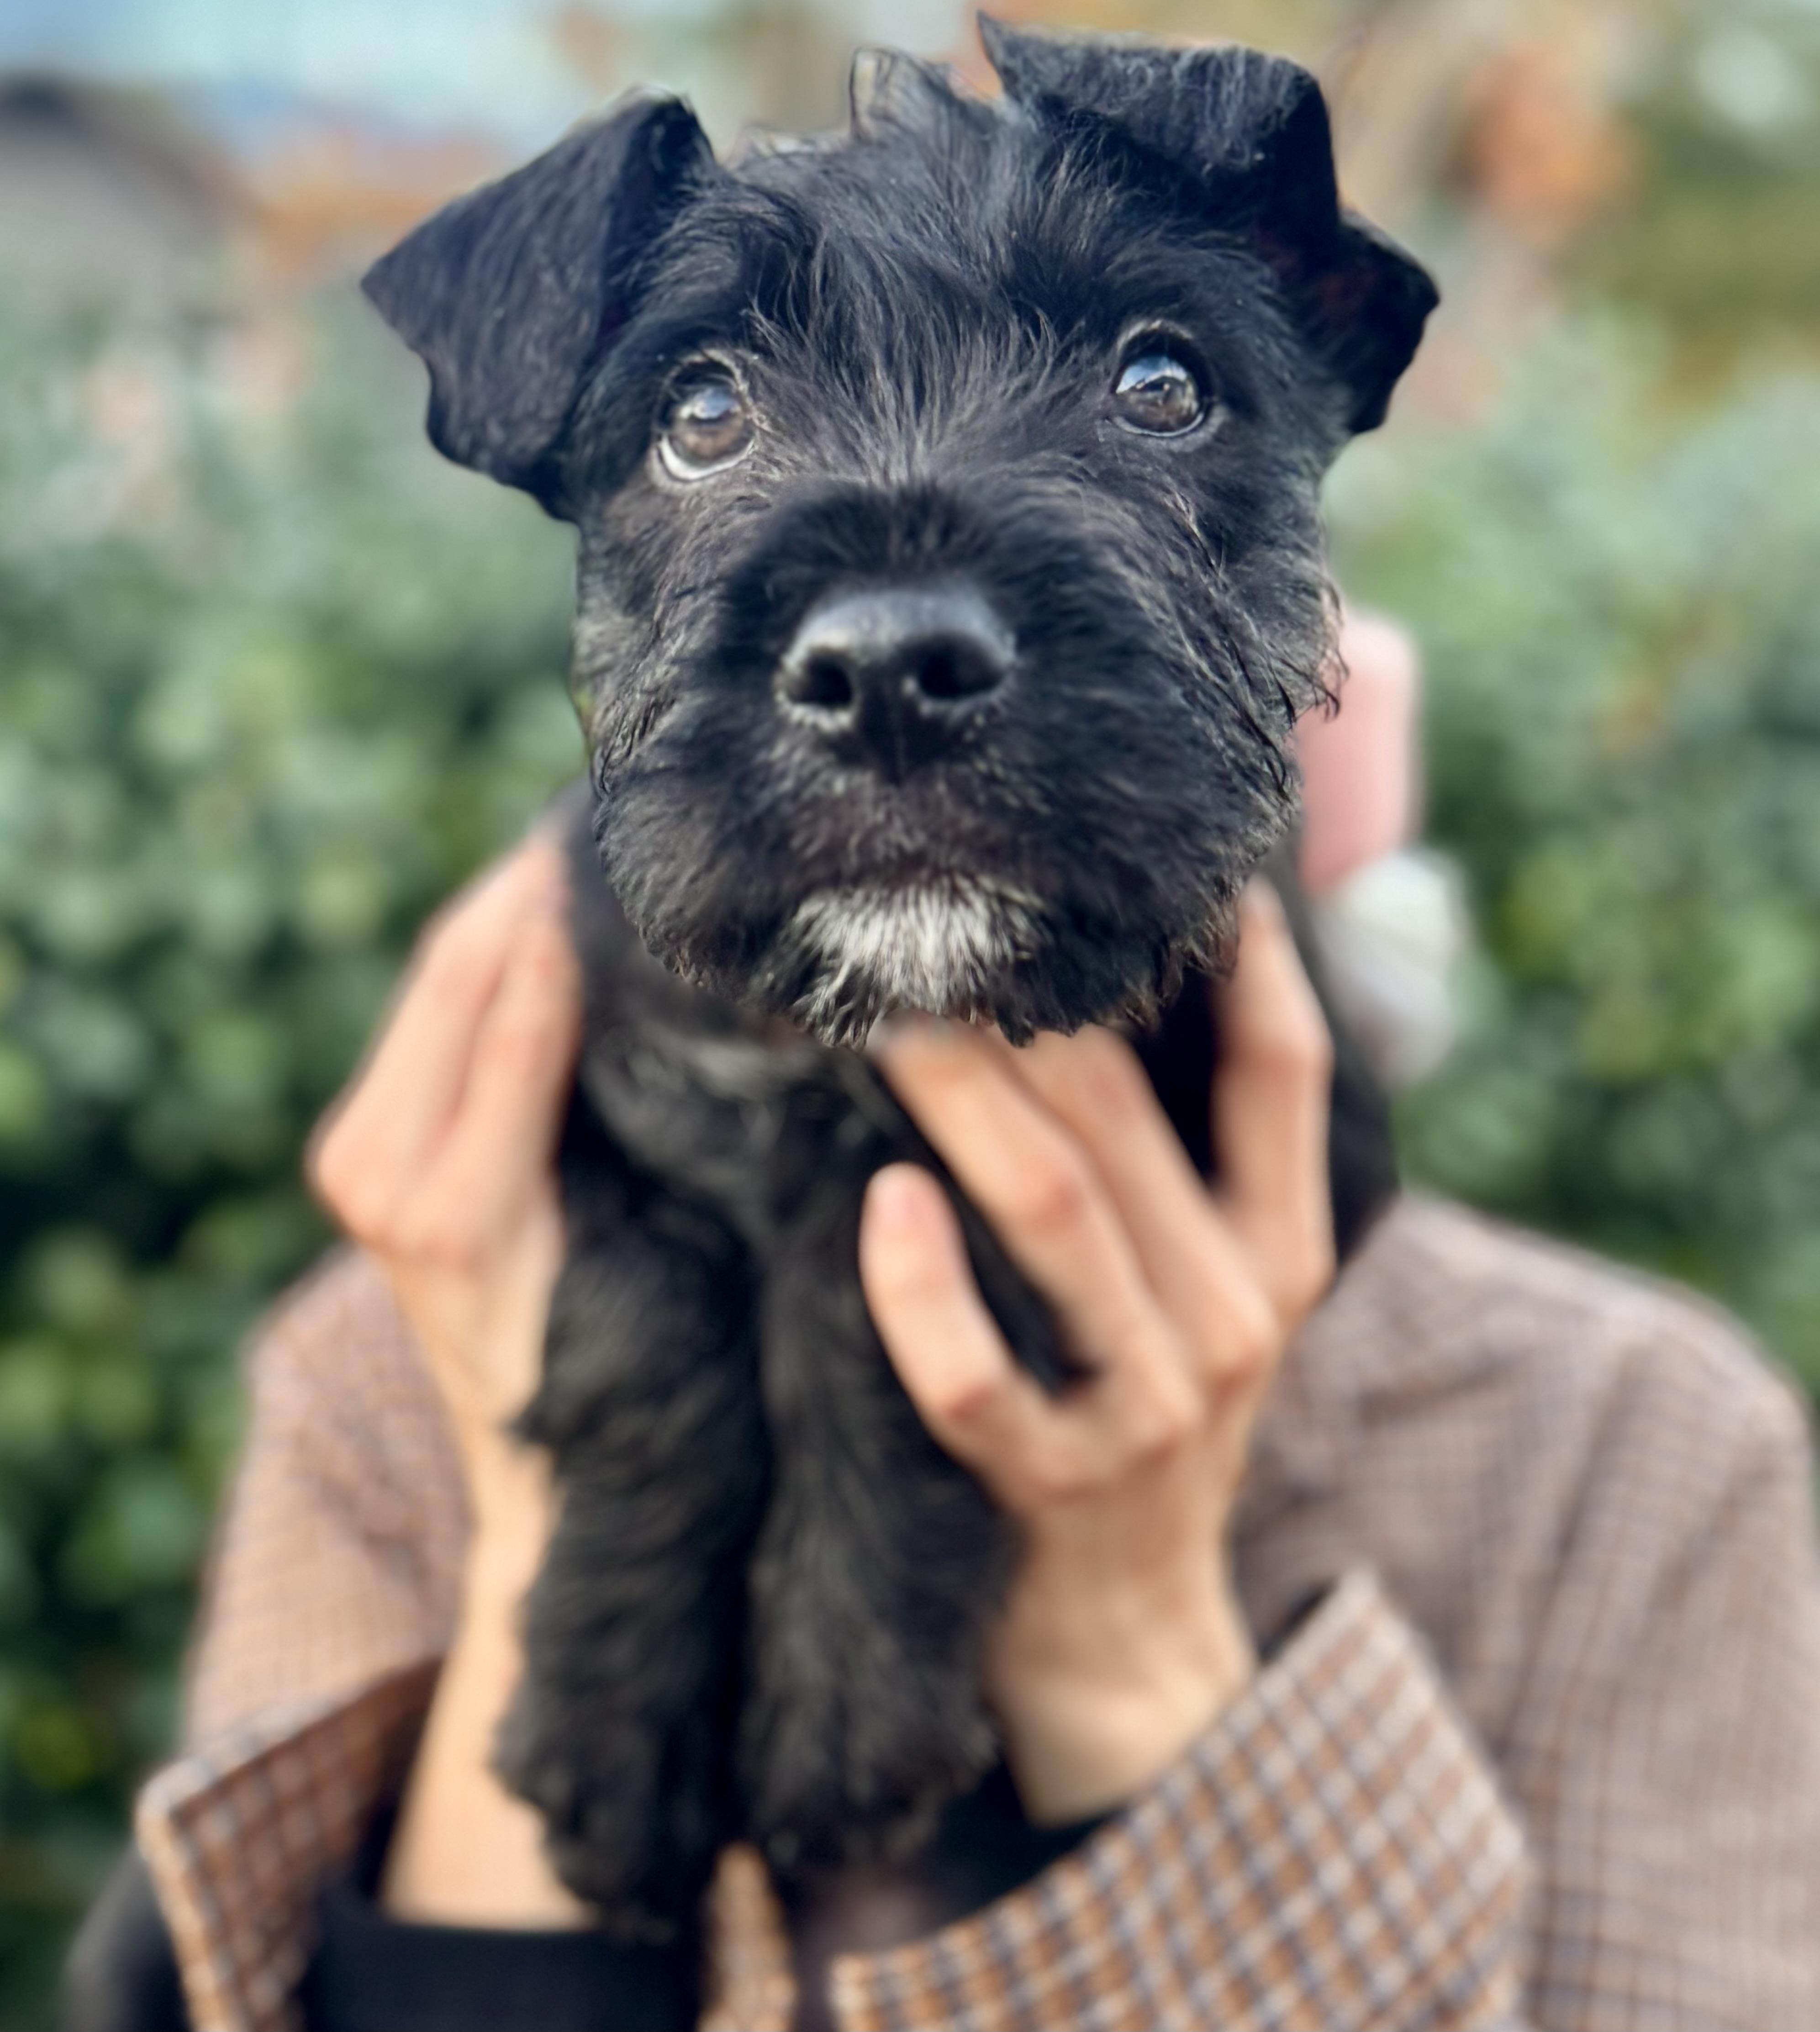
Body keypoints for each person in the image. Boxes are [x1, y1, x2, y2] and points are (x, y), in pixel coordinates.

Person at [72, 619, 1820, 2032]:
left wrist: (1126, 1649)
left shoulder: (1618, 1451)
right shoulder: (396, 1368)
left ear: (1315, 986)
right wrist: (568, 1527)